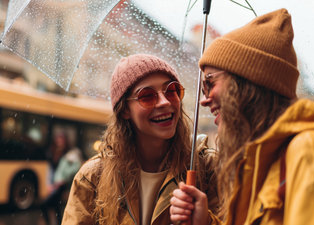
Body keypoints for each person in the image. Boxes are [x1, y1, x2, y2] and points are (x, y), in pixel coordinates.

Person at [169, 8, 314, 225]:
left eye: (210, 83)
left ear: (247, 82)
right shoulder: (261, 162)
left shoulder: (309, 151)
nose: (204, 100)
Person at [61, 54, 219, 225]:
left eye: (171, 90)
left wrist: (206, 222)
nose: (165, 102)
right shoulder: (92, 178)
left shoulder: (208, 167)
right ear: (124, 110)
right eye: (147, 96)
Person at [41, 133, 83, 225]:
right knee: (56, 206)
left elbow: (75, 168)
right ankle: (59, 223)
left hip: (62, 184)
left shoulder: (70, 154)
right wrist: (49, 184)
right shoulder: (54, 152)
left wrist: (63, 179)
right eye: (58, 140)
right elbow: (51, 169)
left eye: (61, 140)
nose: (59, 142)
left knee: (45, 204)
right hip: (55, 184)